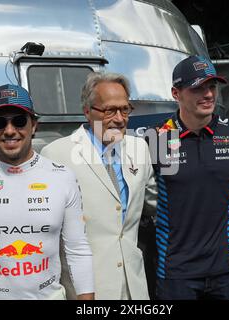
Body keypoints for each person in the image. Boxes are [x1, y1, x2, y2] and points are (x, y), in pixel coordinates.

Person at [0, 84, 94, 300]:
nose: (10, 130)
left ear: (34, 125)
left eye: (19, 121)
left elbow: (78, 249)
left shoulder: (62, 176)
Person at [41, 72, 156, 300]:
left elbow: (156, 202)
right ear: (87, 111)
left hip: (133, 286)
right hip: (87, 290)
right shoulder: (56, 154)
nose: (120, 118)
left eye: (125, 109)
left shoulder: (139, 149)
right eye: (109, 110)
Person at [147, 54, 229, 300]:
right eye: (198, 88)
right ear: (176, 93)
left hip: (228, 266)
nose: (209, 95)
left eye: (212, 86)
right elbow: (141, 193)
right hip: (177, 270)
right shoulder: (158, 137)